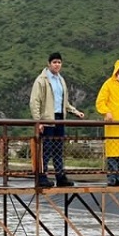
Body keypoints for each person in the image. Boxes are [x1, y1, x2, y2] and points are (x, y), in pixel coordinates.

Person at [29, 51, 85, 187]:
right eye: (54, 62)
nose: (57, 65)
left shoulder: (61, 80)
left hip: (60, 117)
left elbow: (64, 102)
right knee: (46, 149)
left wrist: (75, 111)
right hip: (47, 119)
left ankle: (60, 176)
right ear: (49, 64)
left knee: (58, 149)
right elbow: (34, 101)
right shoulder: (41, 80)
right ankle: (42, 176)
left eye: (59, 62)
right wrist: (38, 121)